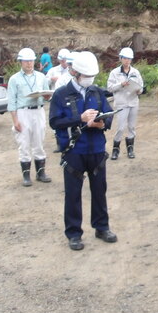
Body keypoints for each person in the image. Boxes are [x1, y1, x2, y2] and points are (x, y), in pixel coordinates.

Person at [49, 51, 118, 251]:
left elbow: (109, 116)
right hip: (74, 150)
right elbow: (55, 122)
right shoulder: (61, 95)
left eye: (91, 77)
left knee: (99, 190)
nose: (89, 80)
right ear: (74, 72)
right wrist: (80, 118)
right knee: (73, 193)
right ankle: (74, 233)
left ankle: (101, 227)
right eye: (86, 76)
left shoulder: (97, 92)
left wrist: (102, 123)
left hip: (96, 149)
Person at [6, 47, 52, 187]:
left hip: (38, 110)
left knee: (39, 141)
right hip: (23, 112)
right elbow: (11, 102)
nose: (29, 64)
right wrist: (15, 121)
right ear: (21, 62)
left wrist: (46, 96)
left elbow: (47, 96)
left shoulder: (41, 76)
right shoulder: (14, 79)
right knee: (24, 143)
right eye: (26, 61)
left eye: (31, 61)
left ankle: (41, 172)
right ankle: (26, 175)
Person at [107, 47, 143, 160]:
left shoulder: (135, 72)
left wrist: (139, 90)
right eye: (125, 58)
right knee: (121, 127)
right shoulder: (114, 73)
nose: (127, 61)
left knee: (132, 127)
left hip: (133, 102)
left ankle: (130, 149)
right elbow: (109, 88)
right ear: (121, 59)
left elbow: (141, 86)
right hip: (121, 103)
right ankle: (116, 149)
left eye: (129, 59)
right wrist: (121, 84)